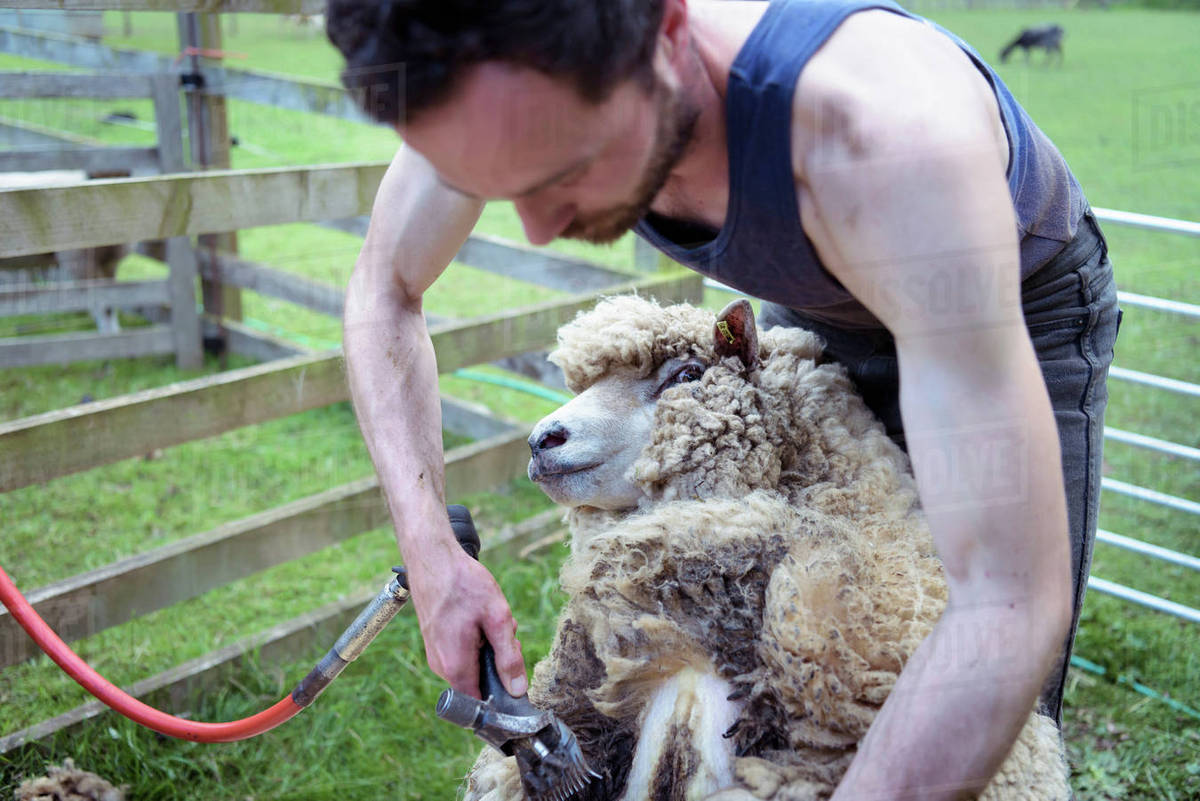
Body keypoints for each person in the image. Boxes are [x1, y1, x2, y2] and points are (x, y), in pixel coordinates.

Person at [325, 1, 1118, 797]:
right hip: (813, 298)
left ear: (669, 34)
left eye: (565, 164)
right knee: (775, 658)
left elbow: (1005, 604)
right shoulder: (503, 80)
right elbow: (385, 287)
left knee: (961, 689)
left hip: (1005, 306)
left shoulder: (886, 140)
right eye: (488, 183)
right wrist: (433, 559)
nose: (538, 225)